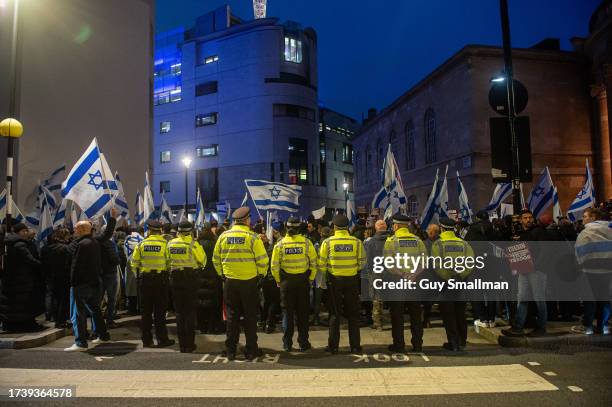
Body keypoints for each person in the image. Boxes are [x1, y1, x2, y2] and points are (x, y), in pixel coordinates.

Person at [213, 207, 269, 360]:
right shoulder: (252, 237)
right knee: (250, 317)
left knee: (232, 317)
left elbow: (215, 259)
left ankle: (231, 350)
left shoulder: (223, 236)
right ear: (247, 220)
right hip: (249, 283)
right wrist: (260, 275)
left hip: (230, 282)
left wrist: (223, 275)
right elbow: (263, 261)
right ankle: (251, 350)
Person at [318, 214, 366, 354]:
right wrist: (351, 270)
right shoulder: (356, 242)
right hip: (352, 281)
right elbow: (363, 263)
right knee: (353, 314)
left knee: (334, 314)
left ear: (334, 227)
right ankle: (355, 346)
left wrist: (332, 270)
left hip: (334, 281)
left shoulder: (327, 242)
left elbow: (321, 265)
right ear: (347, 227)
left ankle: (333, 347)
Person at [271, 217, 317, 352]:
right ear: (299, 228)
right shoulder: (307, 243)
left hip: (286, 283)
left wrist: (278, 280)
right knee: (303, 314)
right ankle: (303, 343)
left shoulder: (280, 244)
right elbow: (314, 263)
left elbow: (274, 266)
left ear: (286, 227)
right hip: (303, 282)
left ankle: (287, 344)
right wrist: (311, 279)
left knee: (287, 313)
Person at [382, 214, 427, 352]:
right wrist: (413, 275)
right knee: (415, 315)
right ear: (407, 226)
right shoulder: (418, 240)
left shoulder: (391, 241)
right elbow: (424, 262)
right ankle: (418, 345)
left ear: (396, 226)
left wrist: (403, 274)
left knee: (397, 315)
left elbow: (389, 264)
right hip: (414, 282)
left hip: (398, 282)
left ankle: (399, 345)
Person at [64, 220, 111, 351]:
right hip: (95, 282)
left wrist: (73, 283)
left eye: (76, 229)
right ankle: (104, 336)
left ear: (82, 229)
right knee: (95, 311)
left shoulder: (82, 245)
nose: (74, 231)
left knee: (78, 314)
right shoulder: (95, 242)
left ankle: (80, 343)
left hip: (82, 284)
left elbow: (76, 266)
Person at [501, 209, 549, 337]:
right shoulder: (522, 234)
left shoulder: (538, 231)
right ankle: (518, 327)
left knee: (539, 299)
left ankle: (541, 327)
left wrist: (536, 265)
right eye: (525, 218)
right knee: (522, 298)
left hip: (537, 271)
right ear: (521, 220)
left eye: (530, 217)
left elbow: (545, 251)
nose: (528, 220)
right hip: (524, 270)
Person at [431, 218, 475, 352]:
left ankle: (453, 343)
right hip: (461, 283)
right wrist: (460, 276)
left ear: (442, 229)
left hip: (446, 284)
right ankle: (462, 341)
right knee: (460, 313)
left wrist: (448, 277)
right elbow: (471, 263)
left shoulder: (438, 244)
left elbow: (437, 266)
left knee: (448, 314)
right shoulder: (464, 243)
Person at [130, 220, 174, 348]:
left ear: (149, 230)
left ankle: (147, 340)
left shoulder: (142, 244)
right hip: (161, 280)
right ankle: (162, 339)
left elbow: (134, 263)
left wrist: (139, 277)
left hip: (145, 280)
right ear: (160, 231)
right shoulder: (165, 244)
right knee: (160, 312)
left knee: (146, 312)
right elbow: (169, 262)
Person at [167, 221, 206, 352]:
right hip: (190, 278)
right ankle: (190, 344)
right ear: (190, 231)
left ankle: (182, 344)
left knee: (179, 313)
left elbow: (167, 261)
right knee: (190, 313)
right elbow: (203, 260)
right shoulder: (193, 244)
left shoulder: (171, 243)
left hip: (175, 277)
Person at [572, 208, 612, 335]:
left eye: (585, 216)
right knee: (605, 299)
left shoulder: (586, 232)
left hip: (590, 271)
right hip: (608, 270)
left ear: (593, 217)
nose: (583, 219)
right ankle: (602, 326)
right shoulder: (610, 229)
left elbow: (579, 251)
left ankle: (587, 326)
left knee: (590, 299)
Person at [0, 223, 44, 332]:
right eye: (25, 231)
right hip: (22, 279)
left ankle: (10, 324)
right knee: (23, 304)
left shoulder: (8, 243)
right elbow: (29, 260)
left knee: (13, 304)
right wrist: (42, 265)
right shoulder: (20, 244)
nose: (26, 233)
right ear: (20, 232)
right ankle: (25, 324)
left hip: (11, 278)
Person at [465, 210, 500, 330]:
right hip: (492, 264)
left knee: (477, 291)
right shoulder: (493, 229)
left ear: (477, 218)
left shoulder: (472, 230)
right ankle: (491, 319)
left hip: (476, 264)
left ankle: (482, 318)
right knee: (490, 292)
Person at [41, 228, 72, 329]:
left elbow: (43, 263)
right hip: (63, 277)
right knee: (63, 299)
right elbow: (68, 264)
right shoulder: (65, 248)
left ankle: (54, 318)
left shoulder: (46, 248)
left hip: (50, 276)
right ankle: (61, 321)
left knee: (54, 298)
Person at [196, 224, 224, 334]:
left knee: (200, 302)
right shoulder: (215, 243)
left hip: (199, 276)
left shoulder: (197, 244)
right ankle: (213, 326)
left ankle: (202, 326)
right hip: (213, 276)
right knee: (213, 302)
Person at [364, 220, 390, 331]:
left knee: (376, 298)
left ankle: (378, 323)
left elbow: (368, 259)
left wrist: (370, 273)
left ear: (376, 228)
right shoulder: (392, 240)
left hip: (376, 272)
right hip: (392, 272)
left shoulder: (371, 242)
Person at [123, 227, 144, 315]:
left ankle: (131, 309)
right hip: (140, 267)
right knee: (139, 289)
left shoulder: (126, 240)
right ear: (141, 232)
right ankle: (140, 309)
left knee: (130, 288)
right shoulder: (142, 240)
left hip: (129, 266)